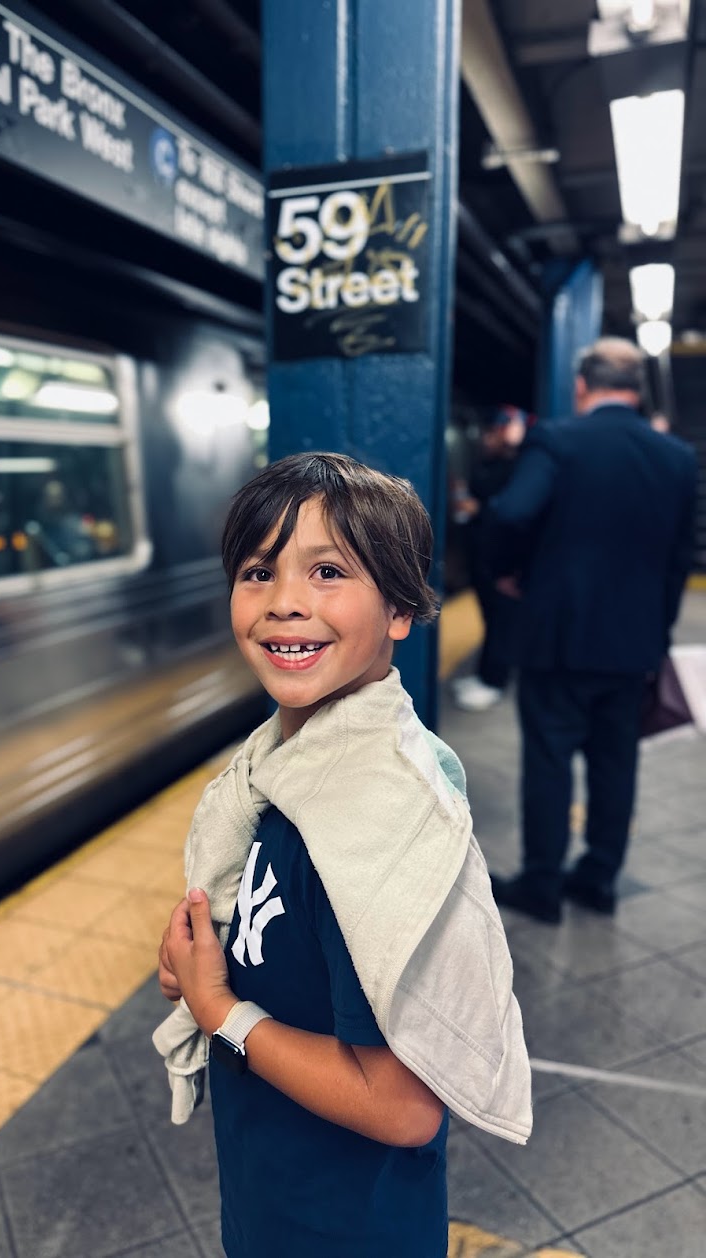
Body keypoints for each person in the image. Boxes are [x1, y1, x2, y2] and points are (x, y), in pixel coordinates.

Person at [152, 453, 531, 1258]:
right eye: (258, 571)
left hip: (348, 1230)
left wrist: (220, 1010)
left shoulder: (373, 824)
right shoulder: (278, 778)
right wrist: (211, 956)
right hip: (275, 1196)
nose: (286, 602)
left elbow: (402, 1107)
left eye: (328, 571)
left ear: (400, 608)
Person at [488, 338, 698, 923]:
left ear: (582, 385)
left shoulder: (558, 440)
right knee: (615, 763)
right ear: (636, 389)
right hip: (633, 645)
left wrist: (509, 574)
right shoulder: (676, 457)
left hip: (557, 640)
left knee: (550, 762)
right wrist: (656, 633)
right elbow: (679, 558)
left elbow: (511, 513)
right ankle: (599, 879)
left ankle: (542, 886)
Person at [451, 405, 528, 711]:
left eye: (496, 432)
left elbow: (513, 514)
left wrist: (479, 509)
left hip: (505, 561)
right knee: (490, 618)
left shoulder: (521, 466)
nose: (488, 438)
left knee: (501, 622)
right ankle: (485, 674)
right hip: (484, 554)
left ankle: (495, 681)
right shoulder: (487, 464)